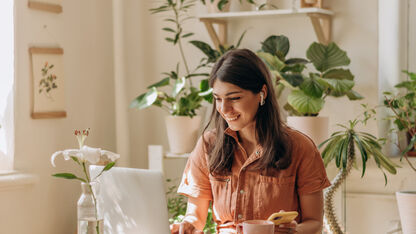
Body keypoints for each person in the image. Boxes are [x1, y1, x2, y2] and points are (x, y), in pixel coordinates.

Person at [170, 49, 331, 234]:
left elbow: (315, 223)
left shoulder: (300, 147)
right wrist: (187, 224)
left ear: (262, 93)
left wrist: (294, 231)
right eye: (218, 99)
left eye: (234, 98)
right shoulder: (209, 144)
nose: (224, 109)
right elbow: (195, 216)